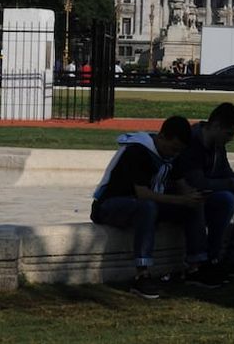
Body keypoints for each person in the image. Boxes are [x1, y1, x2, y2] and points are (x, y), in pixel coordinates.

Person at [90, 116, 220, 299]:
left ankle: (196, 266)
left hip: (146, 204)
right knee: (148, 207)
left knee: (192, 206)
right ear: (162, 137)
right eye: (173, 148)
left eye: (179, 150)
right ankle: (142, 274)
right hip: (111, 204)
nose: (174, 154)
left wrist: (194, 197)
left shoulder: (172, 155)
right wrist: (181, 200)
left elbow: (182, 184)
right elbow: (143, 194)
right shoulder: (138, 151)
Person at [177, 102, 234, 280]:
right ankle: (212, 258)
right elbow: (198, 182)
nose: (231, 138)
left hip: (209, 190)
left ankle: (233, 258)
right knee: (226, 199)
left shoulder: (217, 143)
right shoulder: (193, 142)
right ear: (216, 126)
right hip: (189, 193)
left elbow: (224, 174)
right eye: (229, 134)